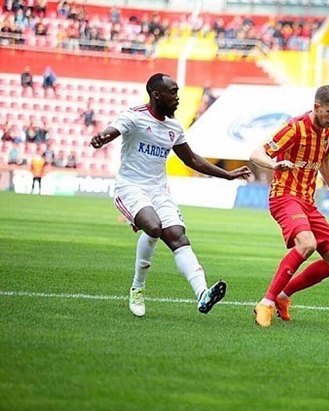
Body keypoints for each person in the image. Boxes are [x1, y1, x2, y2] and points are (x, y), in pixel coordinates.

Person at [90, 73, 252, 317]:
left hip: (159, 191)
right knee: (154, 227)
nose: (177, 98)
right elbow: (113, 130)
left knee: (178, 236)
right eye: (173, 92)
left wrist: (227, 175)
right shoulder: (134, 116)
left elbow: (191, 159)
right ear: (157, 95)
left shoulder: (173, 127)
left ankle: (202, 293)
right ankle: (137, 288)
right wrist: (103, 137)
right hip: (131, 187)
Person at [250, 85, 329, 327]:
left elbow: (324, 161)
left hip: (307, 202)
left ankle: (283, 296)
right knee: (307, 244)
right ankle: (266, 302)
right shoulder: (295, 128)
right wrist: (273, 165)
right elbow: (256, 153)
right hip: (284, 196)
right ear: (317, 107)